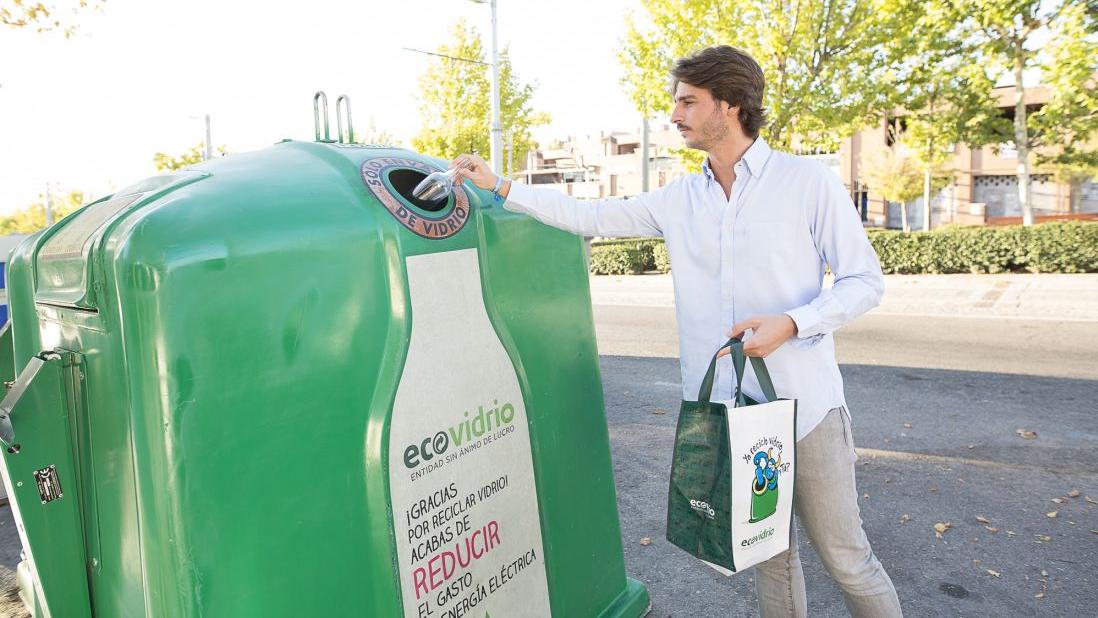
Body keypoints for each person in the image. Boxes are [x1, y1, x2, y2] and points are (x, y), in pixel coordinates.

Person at [450, 45, 901, 618]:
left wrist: (792, 323)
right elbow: (590, 216)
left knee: (846, 558)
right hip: (730, 414)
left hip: (807, 408)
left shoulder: (806, 182)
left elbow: (864, 281)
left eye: (689, 101)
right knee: (769, 556)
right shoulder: (679, 199)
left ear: (731, 105)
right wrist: (501, 187)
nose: (675, 114)